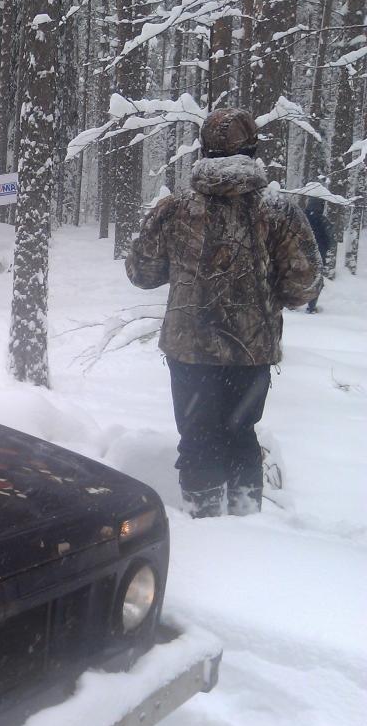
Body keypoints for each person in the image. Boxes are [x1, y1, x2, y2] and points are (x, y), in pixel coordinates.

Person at [126, 107, 320, 518]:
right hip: (251, 352)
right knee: (241, 436)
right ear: (253, 150)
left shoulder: (174, 208)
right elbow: (304, 286)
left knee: (197, 438)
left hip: (189, 351)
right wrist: (266, 294)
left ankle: (205, 522)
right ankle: (245, 523)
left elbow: (141, 273)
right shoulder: (280, 211)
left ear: (204, 149)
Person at [303, 198, 334, 313]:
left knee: (296, 278)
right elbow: (330, 240)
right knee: (316, 281)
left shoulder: (300, 217)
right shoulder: (323, 220)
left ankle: (291, 304)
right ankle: (311, 307)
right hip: (317, 256)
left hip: (299, 255)